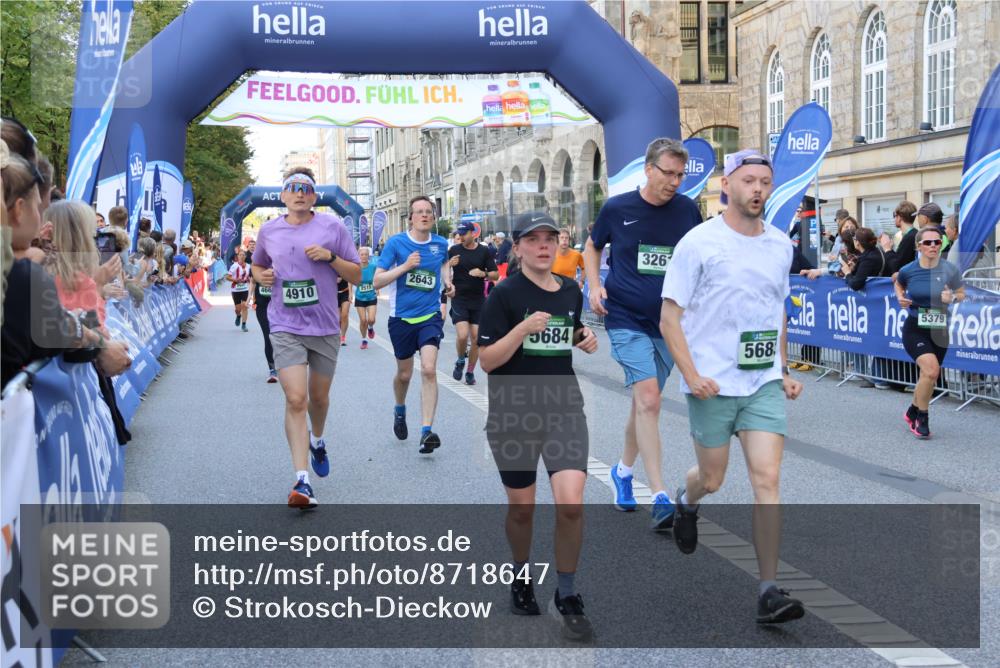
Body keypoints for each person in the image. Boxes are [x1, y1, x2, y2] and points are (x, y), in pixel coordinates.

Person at [660, 149, 805, 624]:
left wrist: (781, 369)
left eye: (765, 181)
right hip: (712, 383)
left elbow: (777, 310)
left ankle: (769, 590)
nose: (758, 189)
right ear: (728, 184)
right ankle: (686, 501)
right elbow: (669, 318)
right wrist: (690, 374)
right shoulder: (699, 243)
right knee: (714, 479)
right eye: (749, 180)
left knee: (768, 481)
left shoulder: (781, 245)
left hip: (761, 381)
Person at [477, 212, 598, 641]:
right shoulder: (504, 295)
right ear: (519, 247)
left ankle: (566, 594)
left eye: (552, 238)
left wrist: (583, 337)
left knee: (570, 504)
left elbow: (568, 332)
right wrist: (523, 328)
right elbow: (487, 361)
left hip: (564, 407)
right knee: (522, 510)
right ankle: (521, 575)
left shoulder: (569, 290)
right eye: (535, 240)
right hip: (514, 411)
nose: (544, 246)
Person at [583, 137, 701, 527]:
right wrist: (594, 285)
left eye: (681, 175)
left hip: (669, 323)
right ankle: (660, 495)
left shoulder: (687, 211)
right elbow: (592, 246)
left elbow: (701, 257)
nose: (675, 182)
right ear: (649, 169)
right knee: (649, 399)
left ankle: (622, 470)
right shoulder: (618, 208)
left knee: (642, 403)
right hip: (626, 316)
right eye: (668, 173)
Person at [251, 167, 362, 508]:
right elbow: (256, 266)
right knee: (296, 399)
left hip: (325, 326)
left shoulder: (333, 227)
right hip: (285, 325)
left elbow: (357, 274)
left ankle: (318, 438)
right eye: (292, 188)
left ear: (314, 197)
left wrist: (330, 257)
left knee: (318, 398)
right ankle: (302, 481)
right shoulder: (269, 231)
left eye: (306, 189)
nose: (299, 193)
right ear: (283, 196)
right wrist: (263, 276)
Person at [373, 195, 453, 454]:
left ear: (433, 216)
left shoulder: (440, 243)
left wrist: (448, 283)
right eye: (419, 212)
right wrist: (405, 266)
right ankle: (399, 408)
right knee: (405, 374)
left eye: (428, 211)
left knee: (429, 370)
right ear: (410, 218)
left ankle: (426, 432)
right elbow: (377, 282)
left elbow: (443, 265)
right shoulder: (397, 243)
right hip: (401, 319)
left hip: (429, 316)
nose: (424, 215)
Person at [894, 226, 965, 439]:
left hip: (940, 329)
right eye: (928, 242)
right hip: (915, 328)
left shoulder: (949, 269)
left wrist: (952, 297)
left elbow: (962, 293)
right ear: (919, 246)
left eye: (937, 241)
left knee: (929, 376)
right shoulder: (909, 270)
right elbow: (897, 281)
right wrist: (901, 297)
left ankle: (912, 410)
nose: (934, 245)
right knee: (931, 370)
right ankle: (922, 419)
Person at [447, 221, 499, 385]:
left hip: (478, 300)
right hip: (459, 298)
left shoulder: (484, 251)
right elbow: (442, 271)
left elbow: (495, 275)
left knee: (476, 338)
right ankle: (461, 360)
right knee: (462, 335)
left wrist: (482, 273)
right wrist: (449, 264)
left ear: (473, 233)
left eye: (464, 233)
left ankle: (470, 371)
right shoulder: (454, 250)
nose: (460, 236)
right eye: (459, 234)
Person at [247, 234, 277, 382]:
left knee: (283, 336)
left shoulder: (282, 259)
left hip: (281, 306)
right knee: (268, 335)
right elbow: (252, 282)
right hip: (262, 305)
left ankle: (287, 364)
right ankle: (272, 369)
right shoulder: (256, 262)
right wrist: (249, 298)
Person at [354, 246, 379, 349]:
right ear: (358, 256)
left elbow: (377, 278)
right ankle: (364, 340)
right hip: (360, 297)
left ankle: (371, 327)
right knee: (363, 320)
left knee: (371, 319)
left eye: (366, 254)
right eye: (362, 254)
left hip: (371, 296)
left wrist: (377, 288)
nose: (364, 256)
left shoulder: (373, 266)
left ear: (369, 256)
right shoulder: (355, 267)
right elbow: (350, 279)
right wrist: (350, 292)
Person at [887, 201, 918, 273]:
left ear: (899, 217)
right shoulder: (915, 234)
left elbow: (897, 267)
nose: (894, 218)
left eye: (894, 215)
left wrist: (887, 249)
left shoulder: (909, 238)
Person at [227, 248, 252, 332]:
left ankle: (244, 325)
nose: (241, 256)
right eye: (240, 255)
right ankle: (238, 316)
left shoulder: (248, 266)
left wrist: (249, 280)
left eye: (243, 255)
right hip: (236, 290)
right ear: (237, 256)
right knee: (238, 309)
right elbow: (227, 277)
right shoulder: (234, 266)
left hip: (245, 289)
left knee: (244, 306)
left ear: (245, 257)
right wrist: (235, 280)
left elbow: (251, 278)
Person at [337, 278, 351, 346]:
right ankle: (338, 334)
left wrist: (351, 294)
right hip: (334, 293)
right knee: (338, 318)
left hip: (345, 292)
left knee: (344, 315)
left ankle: (343, 337)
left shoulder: (345, 267)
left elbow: (350, 279)